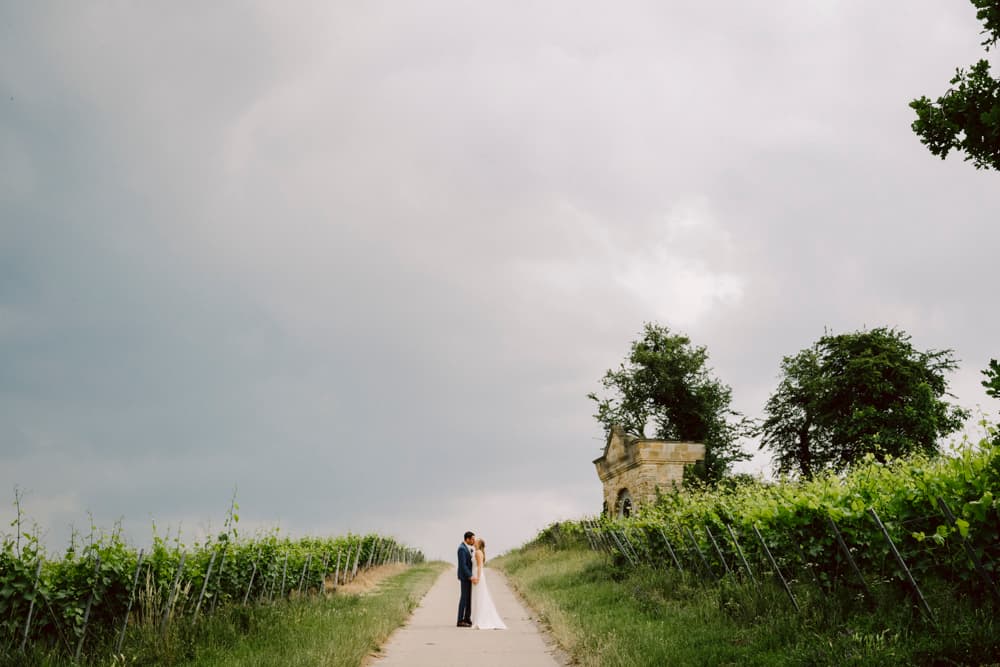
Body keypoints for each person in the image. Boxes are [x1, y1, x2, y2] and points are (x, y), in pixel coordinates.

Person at [470, 537, 506, 630]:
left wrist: (477, 578)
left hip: (478, 574)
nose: (474, 542)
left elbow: (479, 566)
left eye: (476, 541)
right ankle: (478, 618)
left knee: (479, 597)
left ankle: (481, 619)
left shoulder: (478, 552)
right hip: (477, 574)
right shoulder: (478, 552)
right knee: (478, 596)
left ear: (479, 544)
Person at [456, 531, 476, 627]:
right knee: (464, 598)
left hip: (467, 577)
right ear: (467, 539)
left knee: (468, 598)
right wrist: (470, 576)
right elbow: (463, 566)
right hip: (465, 577)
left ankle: (467, 618)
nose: (473, 541)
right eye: (472, 539)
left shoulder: (466, 548)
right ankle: (460, 620)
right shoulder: (461, 549)